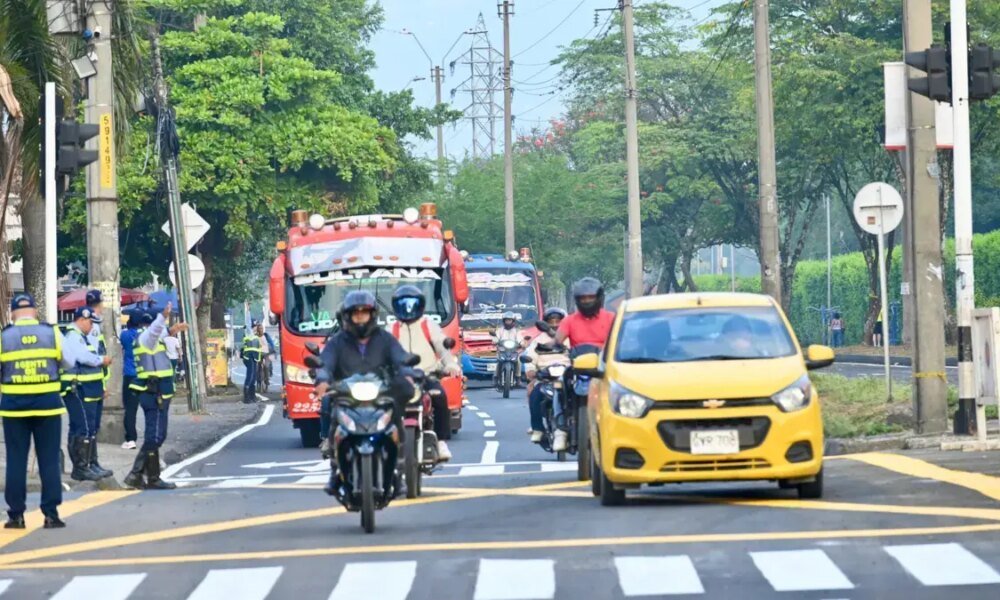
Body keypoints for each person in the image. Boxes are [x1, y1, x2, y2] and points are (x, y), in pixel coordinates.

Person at [312, 291, 415, 496]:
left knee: (397, 414)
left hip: (380, 393)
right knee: (328, 408)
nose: (360, 317)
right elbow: (325, 363)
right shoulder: (337, 342)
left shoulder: (385, 339)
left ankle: (398, 471)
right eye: (356, 313)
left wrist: (407, 374)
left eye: (364, 313)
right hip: (346, 394)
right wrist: (322, 380)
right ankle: (335, 468)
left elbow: (400, 359)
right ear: (347, 316)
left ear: (372, 315)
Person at [1, 293, 67, 529]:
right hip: (47, 406)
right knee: (48, 460)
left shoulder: (4, 337)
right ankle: (51, 514)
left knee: (16, 461)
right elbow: (68, 361)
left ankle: (16, 515)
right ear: (35, 311)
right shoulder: (52, 334)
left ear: (12, 314)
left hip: (14, 409)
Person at [388, 285, 462, 461]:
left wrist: (450, 365)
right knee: (382, 402)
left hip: (426, 376)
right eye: (403, 304)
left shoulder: (428, 325)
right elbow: (382, 351)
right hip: (400, 379)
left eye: (412, 304)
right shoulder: (392, 329)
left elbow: (442, 347)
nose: (408, 308)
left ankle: (441, 441)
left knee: (440, 397)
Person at [124, 303, 188, 490]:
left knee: (157, 435)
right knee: (155, 436)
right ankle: (144, 476)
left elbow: (159, 333)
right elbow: (155, 333)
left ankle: (140, 475)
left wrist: (172, 329)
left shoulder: (147, 338)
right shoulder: (147, 338)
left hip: (156, 392)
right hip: (154, 393)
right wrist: (163, 317)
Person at [61, 306, 113, 481]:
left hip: (91, 388)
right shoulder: (73, 336)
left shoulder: (83, 336)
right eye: (90, 323)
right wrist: (101, 360)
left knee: (91, 427)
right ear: (81, 319)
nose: (92, 327)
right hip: (78, 388)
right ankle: (81, 467)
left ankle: (92, 463)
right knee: (82, 427)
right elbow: (82, 357)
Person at [525, 307, 569, 445]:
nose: (555, 325)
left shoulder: (570, 339)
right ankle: (537, 428)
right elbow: (530, 358)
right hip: (544, 377)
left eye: (558, 321)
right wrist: (531, 371)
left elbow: (579, 354)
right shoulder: (538, 341)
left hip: (567, 376)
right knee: (534, 395)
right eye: (551, 321)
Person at [84, 290, 111, 472]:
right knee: (89, 426)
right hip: (89, 383)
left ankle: (93, 463)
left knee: (93, 426)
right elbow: (95, 356)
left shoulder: (94, 324)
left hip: (95, 381)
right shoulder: (91, 325)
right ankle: (88, 464)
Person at [554, 277, 616, 350]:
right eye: (583, 298)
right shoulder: (569, 321)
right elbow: (557, 341)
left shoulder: (611, 318)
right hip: (578, 359)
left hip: (604, 360)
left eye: (591, 297)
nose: (587, 301)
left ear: (599, 298)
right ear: (578, 300)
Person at [120, 311, 140, 449]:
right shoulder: (145, 335)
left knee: (130, 409)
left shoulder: (125, 335)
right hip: (144, 375)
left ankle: (131, 439)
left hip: (130, 375)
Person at [240, 321, 263, 403]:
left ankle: (252, 396)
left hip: (254, 357)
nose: (256, 328)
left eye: (256, 326)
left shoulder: (255, 335)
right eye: (254, 326)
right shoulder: (248, 334)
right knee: (250, 376)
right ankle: (246, 397)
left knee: (253, 377)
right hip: (249, 357)